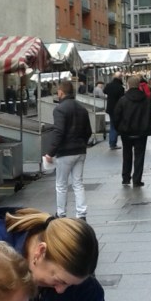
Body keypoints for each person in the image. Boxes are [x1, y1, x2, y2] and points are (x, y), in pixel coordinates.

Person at [43, 79, 92, 220]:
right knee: (78, 183)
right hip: (80, 151)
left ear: (61, 92)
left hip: (65, 152)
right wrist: (82, 143)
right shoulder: (82, 109)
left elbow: (59, 132)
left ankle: (61, 213)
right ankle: (81, 214)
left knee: (61, 184)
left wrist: (50, 152)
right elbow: (88, 131)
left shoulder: (59, 109)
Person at [112, 74, 151, 188]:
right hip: (141, 132)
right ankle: (137, 179)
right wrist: (149, 127)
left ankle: (126, 178)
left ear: (128, 85)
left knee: (127, 155)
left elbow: (116, 116)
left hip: (126, 132)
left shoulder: (123, 100)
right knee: (139, 156)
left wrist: (119, 128)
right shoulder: (146, 99)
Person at [104, 71, 125, 149]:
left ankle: (112, 142)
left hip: (110, 108)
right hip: (118, 108)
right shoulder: (121, 87)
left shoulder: (109, 85)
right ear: (120, 78)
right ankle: (113, 143)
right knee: (116, 125)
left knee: (112, 125)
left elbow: (104, 91)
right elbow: (122, 98)